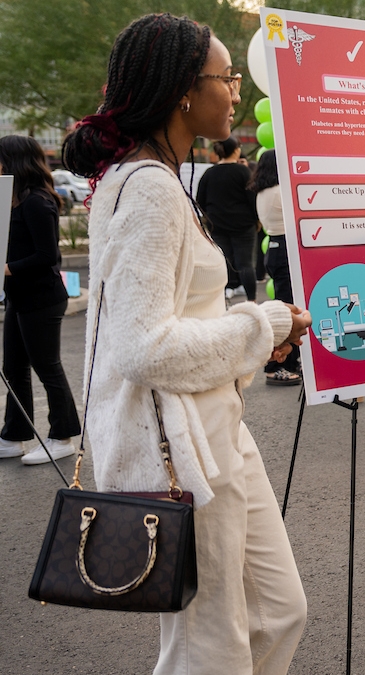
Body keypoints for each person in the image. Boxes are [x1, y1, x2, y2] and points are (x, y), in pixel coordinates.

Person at [61, 13, 312, 673]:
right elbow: (141, 347)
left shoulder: (160, 177)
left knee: (279, 611)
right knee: (210, 647)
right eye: (224, 79)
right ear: (181, 91)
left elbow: (180, 312)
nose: (235, 92)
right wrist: (263, 325)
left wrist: (256, 332)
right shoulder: (148, 188)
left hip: (217, 428)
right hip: (184, 453)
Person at [0, 136, 82, 465]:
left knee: (47, 368)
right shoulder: (16, 201)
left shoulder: (37, 202)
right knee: (13, 368)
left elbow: (48, 255)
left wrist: (8, 267)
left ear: (13, 161)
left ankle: (63, 436)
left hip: (42, 298)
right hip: (20, 296)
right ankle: (14, 436)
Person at [251, 149, 301, 385]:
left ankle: (289, 360)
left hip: (274, 247)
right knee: (287, 312)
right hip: (285, 249)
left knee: (286, 308)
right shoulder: (280, 192)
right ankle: (277, 366)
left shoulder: (262, 192)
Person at [196, 136, 257, 301]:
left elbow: (199, 200)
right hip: (243, 226)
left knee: (224, 261)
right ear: (236, 150)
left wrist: (209, 220)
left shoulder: (209, 173)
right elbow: (252, 198)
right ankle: (252, 300)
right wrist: (256, 220)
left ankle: (224, 296)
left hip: (218, 226)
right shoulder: (243, 171)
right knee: (245, 264)